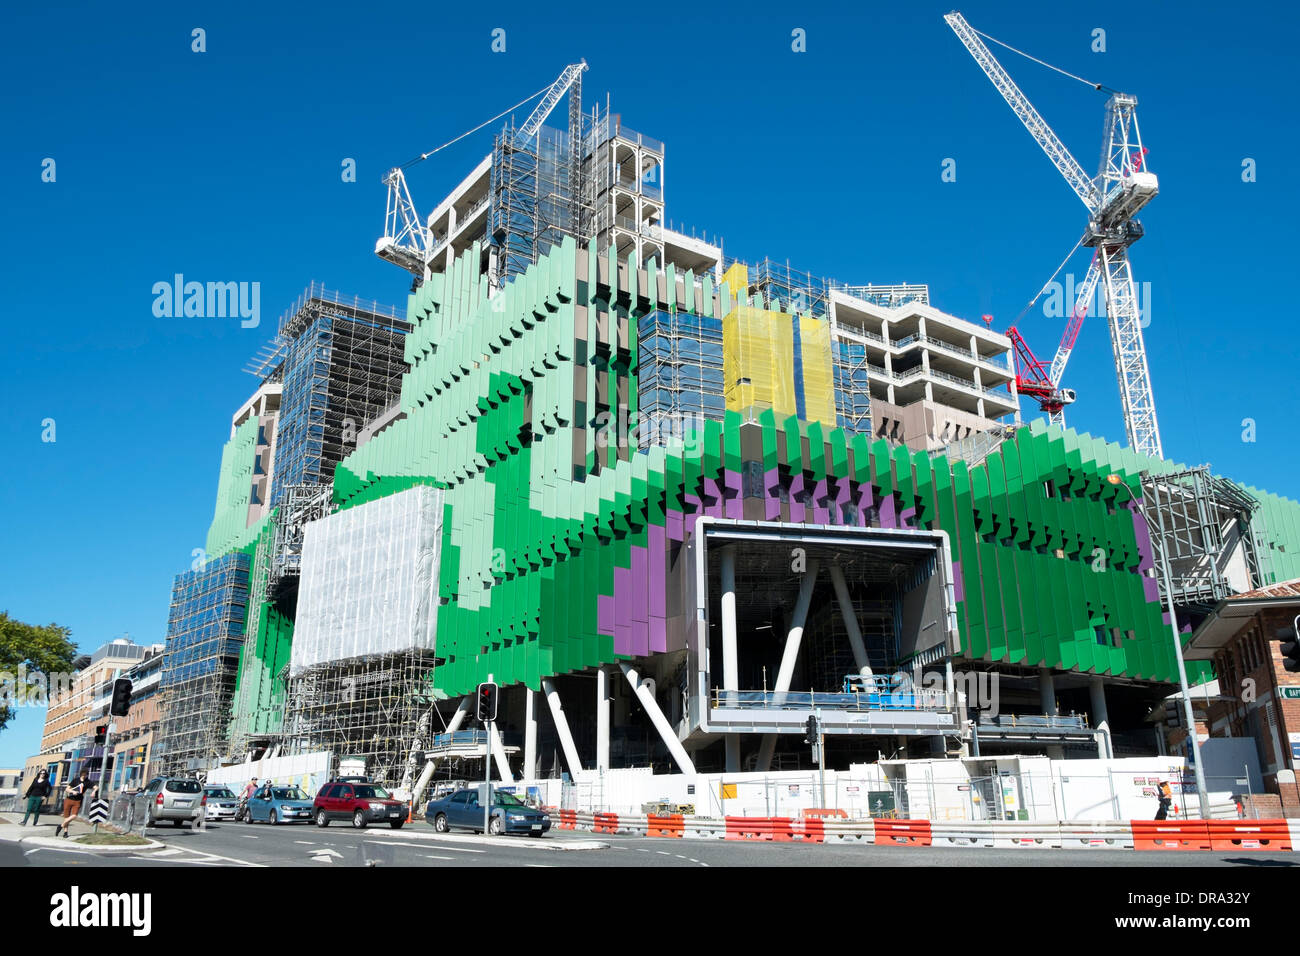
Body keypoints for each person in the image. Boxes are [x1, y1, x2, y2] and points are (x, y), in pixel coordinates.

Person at [56, 769, 92, 837]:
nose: (84, 776)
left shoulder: (88, 782)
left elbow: (96, 787)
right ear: (81, 774)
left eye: (85, 775)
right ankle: (65, 833)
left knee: (74, 815)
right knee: (66, 817)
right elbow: (67, 789)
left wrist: (94, 791)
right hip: (69, 799)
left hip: (78, 801)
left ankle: (61, 826)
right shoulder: (75, 780)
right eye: (83, 775)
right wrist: (72, 792)